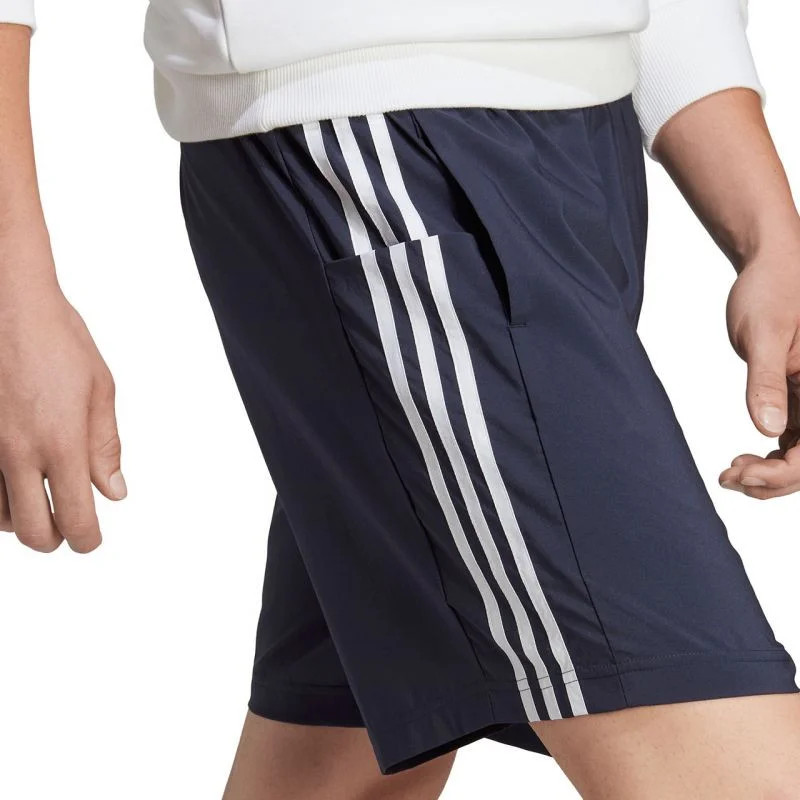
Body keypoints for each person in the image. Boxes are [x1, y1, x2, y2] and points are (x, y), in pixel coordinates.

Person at [2, 1, 800, 797]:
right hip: (377, 144)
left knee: (337, 767)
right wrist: (13, 296)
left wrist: (771, 235)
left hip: (585, 142)